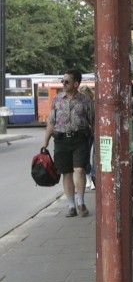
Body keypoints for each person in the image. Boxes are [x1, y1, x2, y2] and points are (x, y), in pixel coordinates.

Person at [41, 68, 95, 217]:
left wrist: (96, 140)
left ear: (76, 84)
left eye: (66, 81)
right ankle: (71, 206)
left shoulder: (86, 100)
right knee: (66, 173)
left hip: (80, 139)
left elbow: (93, 121)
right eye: (62, 81)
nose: (63, 84)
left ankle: (81, 203)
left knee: (80, 170)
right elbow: (51, 122)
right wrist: (45, 142)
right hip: (61, 140)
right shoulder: (57, 99)